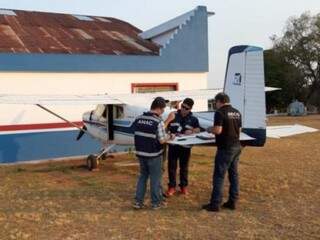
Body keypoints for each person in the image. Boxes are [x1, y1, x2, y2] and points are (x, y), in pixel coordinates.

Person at [202, 92, 242, 212]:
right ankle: (232, 201)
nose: (215, 105)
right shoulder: (237, 112)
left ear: (219, 101)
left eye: (216, 103)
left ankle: (215, 204)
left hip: (225, 147)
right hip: (236, 145)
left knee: (219, 176)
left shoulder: (220, 112)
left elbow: (218, 130)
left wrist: (210, 129)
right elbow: (239, 130)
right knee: (233, 175)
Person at [133, 97, 173, 210]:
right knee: (155, 180)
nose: (163, 112)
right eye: (163, 109)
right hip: (154, 155)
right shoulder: (158, 121)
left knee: (142, 178)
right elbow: (162, 140)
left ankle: (138, 202)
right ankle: (156, 203)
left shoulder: (138, 118)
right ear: (159, 109)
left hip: (141, 154)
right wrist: (170, 136)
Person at [164, 98, 200, 196]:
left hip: (185, 147)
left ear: (190, 109)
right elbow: (164, 127)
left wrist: (192, 131)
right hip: (173, 146)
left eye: (186, 108)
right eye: (182, 106)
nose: (183, 109)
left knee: (184, 168)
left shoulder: (193, 119)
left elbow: (198, 129)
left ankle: (183, 186)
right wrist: (169, 131)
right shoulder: (173, 115)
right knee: (172, 167)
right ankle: (171, 187)